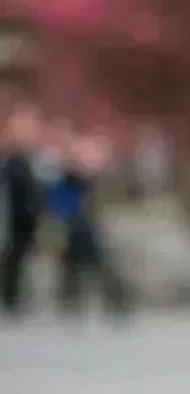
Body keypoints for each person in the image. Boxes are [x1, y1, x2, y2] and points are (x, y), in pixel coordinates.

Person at [52, 134, 128, 318]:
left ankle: (109, 302)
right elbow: (63, 209)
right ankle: (73, 302)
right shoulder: (70, 184)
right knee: (80, 269)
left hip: (82, 231)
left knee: (84, 269)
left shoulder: (83, 183)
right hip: (77, 232)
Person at [1, 103, 44, 318]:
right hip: (9, 220)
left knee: (14, 263)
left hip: (18, 223)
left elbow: (31, 196)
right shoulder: (12, 165)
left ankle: (12, 301)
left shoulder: (22, 164)